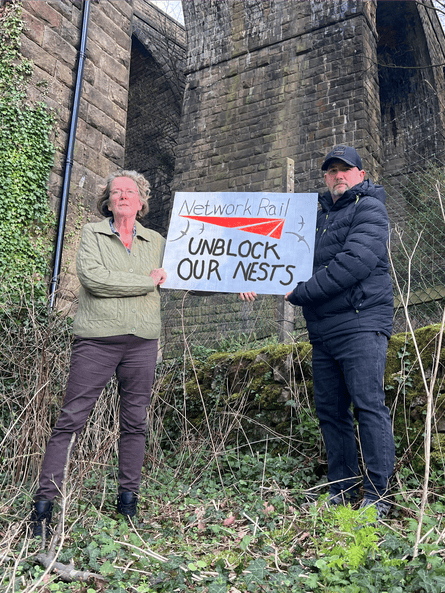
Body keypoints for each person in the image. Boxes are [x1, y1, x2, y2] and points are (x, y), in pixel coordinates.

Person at [31, 170, 167, 535]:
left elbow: (186, 275)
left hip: (142, 342)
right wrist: (146, 282)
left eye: (130, 191)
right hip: (97, 341)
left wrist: (234, 284)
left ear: (141, 202)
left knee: (135, 423)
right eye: (116, 191)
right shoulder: (92, 233)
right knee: (70, 420)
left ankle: (128, 506)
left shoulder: (157, 240)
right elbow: (94, 279)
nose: (123, 196)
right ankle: (42, 510)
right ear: (107, 201)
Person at [285, 145, 395, 519]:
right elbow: (284, 256)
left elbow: (354, 264)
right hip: (323, 330)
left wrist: (299, 293)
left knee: (368, 405)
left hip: (361, 323)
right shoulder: (313, 217)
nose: (337, 177)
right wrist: (259, 279)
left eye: (345, 170)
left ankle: (378, 496)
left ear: (361, 176)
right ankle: (342, 490)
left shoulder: (370, 209)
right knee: (331, 412)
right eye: (331, 171)